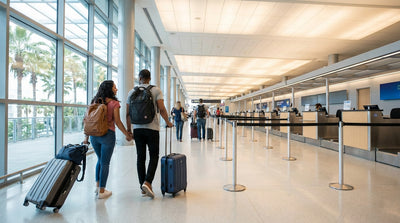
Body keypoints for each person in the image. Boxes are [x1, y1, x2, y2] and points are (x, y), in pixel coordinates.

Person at [126, 69, 173, 199]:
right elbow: (162, 108)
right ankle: (148, 182)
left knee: (140, 157)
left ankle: (142, 186)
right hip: (152, 128)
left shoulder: (131, 92)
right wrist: (168, 122)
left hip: (138, 129)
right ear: (149, 78)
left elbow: (128, 114)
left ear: (139, 78)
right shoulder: (156, 90)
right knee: (154, 156)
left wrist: (129, 130)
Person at [83, 80, 133, 199]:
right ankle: (102, 191)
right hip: (107, 135)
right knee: (105, 163)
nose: (116, 89)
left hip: (94, 136)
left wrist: (86, 137)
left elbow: (88, 120)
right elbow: (117, 121)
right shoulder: (114, 103)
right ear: (109, 89)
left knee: (100, 160)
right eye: (114, 87)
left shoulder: (95, 101)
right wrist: (127, 134)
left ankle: (97, 186)